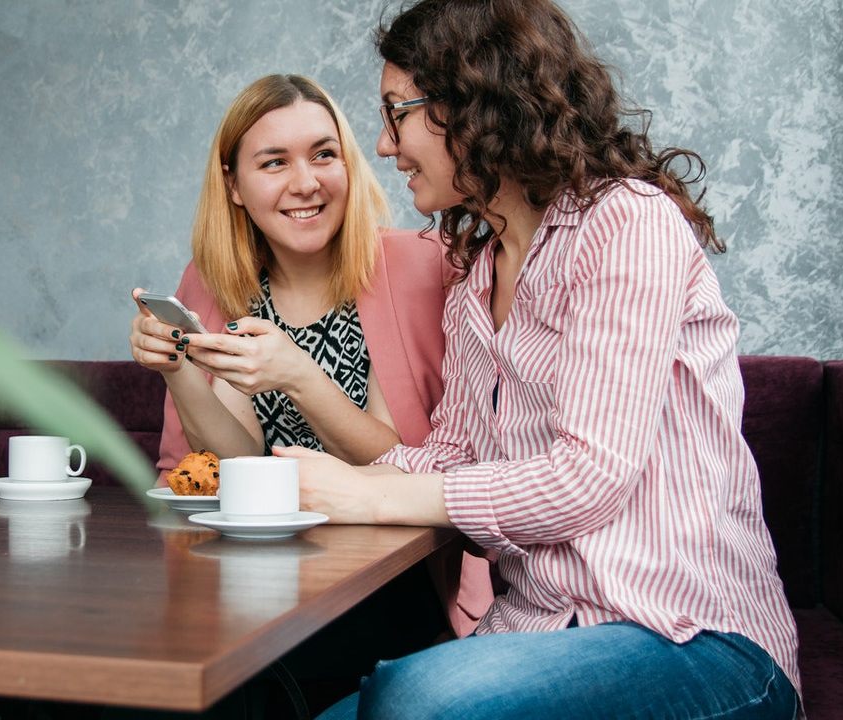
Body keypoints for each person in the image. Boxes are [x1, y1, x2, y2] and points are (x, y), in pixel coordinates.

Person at [276, 2, 803, 718]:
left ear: (474, 102)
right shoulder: (475, 283)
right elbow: (453, 457)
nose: (384, 144)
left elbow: (589, 477)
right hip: (539, 631)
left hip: (696, 641)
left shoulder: (626, 222)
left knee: (416, 698)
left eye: (397, 113)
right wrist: (317, 482)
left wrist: (368, 495)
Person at [128, 73, 494, 636]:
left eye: (324, 155)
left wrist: (299, 376)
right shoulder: (212, 283)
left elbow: (408, 468)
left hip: (397, 583)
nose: (307, 184)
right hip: (252, 577)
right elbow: (236, 463)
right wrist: (178, 371)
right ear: (234, 185)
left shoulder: (422, 265)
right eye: (274, 163)